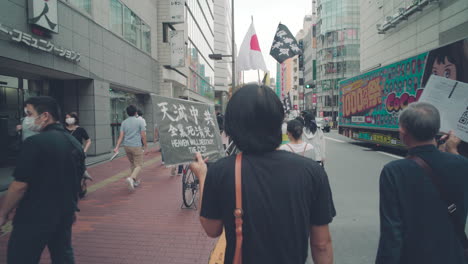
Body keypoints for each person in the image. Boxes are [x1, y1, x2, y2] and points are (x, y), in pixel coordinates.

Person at [190, 84, 335, 264]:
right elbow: (321, 244)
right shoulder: (312, 172)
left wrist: (202, 176)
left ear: (233, 124)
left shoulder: (221, 170)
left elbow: (212, 230)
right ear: (278, 121)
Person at [376, 102, 468, 264]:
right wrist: (453, 151)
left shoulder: (394, 171)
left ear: (403, 132)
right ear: (437, 130)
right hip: (454, 256)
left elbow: (392, 233)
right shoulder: (461, 164)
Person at [0, 96, 85, 263]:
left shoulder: (34, 143)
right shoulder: (74, 143)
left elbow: (19, 185)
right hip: (65, 213)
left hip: (34, 215)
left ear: (45, 116)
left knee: (21, 257)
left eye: (29, 113)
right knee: (63, 255)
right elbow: (77, 181)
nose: (26, 119)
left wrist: (4, 213)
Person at [114, 105, 147, 191]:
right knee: (139, 165)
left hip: (126, 146)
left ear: (128, 113)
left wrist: (117, 147)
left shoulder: (124, 122)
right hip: (136, 146)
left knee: (133, 164)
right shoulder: (140, 121)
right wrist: (145, 146)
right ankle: (131, 178)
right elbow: (143, 135)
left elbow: (121, 136)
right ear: (136, 112)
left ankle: (135, 182)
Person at [65, 112, 93, 181]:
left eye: (69, 117)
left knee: (78, 171)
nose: (68, 119)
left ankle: (83, 174)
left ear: (75, 119)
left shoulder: (80, 129)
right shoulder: (63, 129)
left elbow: (88, 140)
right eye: (66, 118)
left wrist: (84, 151)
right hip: (66, 153)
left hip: (77, 152)